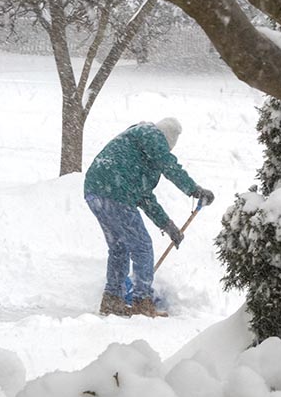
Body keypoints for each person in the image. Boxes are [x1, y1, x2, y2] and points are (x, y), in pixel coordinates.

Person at [84, 118, 214, 318]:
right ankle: (141, 302)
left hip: (96, 190)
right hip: (115, 191)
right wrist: (194, 190)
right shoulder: (151, 134)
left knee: (119, 247)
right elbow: (169, 166)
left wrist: (168, 226)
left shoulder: (140, 155)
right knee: (142, 246)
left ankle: (112, 300)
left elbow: (145, 198)